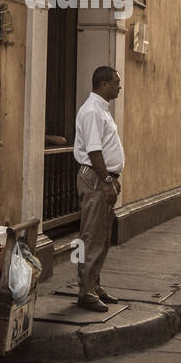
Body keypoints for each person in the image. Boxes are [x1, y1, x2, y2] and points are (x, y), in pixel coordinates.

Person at [72, 66, 124, 313]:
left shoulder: (102, 109)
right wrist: (106, 180)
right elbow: (94, 151)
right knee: (90, 236)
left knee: (102, 236)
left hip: (103, 178)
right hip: (95, 178)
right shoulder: (92, 111)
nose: (119, 87)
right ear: (103, 84)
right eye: (116, 82)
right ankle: (85, 291)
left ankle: (94, 285)